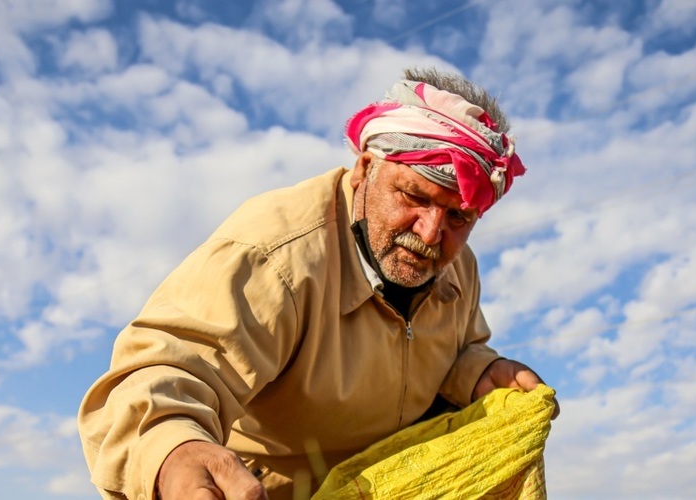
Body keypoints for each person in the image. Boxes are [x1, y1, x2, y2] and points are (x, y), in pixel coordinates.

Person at [78, 67, 558, 500]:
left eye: (459, 216)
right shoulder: (275, 252)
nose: (431, 233)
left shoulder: (458, 266)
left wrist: (476, 371)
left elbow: (452, 348)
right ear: (366, 169)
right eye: (414, 196)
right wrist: (172, 449)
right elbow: (171, 365)